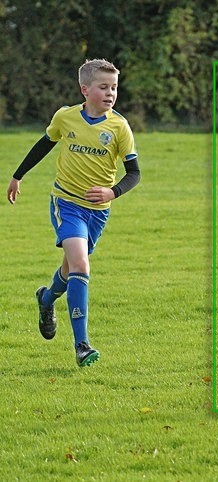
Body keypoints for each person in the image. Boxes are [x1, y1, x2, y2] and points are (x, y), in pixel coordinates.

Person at [7, 59, 141, 367]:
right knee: (81, 264)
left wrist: (113, 192)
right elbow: (45, 144)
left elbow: (134, 173)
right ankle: (82, 345)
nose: (110, 93)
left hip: (98, 212)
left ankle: (46, 299)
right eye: (103, 87)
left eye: (115, 88)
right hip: (66, 203)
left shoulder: (119, 127)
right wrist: (18, 175)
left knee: (70, 270)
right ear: (85, 89)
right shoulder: (66, 117)